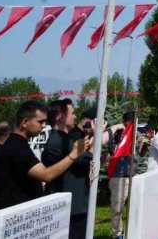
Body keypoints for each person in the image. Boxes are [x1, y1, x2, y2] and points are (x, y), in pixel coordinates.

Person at [0, 101, 91, 214]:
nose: (44, 126)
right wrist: (73, 155)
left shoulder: (19, 143)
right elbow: (46, 175)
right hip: (14, 214)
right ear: (25, 122)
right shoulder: (16, 146)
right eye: (40, 122)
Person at [42, 100, 93, 239]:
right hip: (71, 210)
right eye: (72, 113)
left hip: (74, 207)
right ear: (61, 116)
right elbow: (87, 161)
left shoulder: (65, 140)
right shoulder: (59, 141)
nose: (75, 117)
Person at [108, 111, 142, 239]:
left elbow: (141, 153)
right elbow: (113, 151)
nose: (134, 124)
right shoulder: (117, 133)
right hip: (119, 176)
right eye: (132, 121)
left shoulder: (136, 134)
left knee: (135, 206)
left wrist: (143, 145)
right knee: (117, 208)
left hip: (133, 175)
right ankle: (117, 234)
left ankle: (133, 232)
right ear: (125, 121)